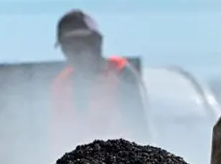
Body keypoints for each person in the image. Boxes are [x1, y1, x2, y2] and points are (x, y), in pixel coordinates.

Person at [50, 9, 151, 146]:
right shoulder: (61, 84)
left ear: (97, 43)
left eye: (82, 45)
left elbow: (143, 133)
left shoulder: (121, 75)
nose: (77, 52)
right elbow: (57, 137)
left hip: (123, 162)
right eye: (70, 47)